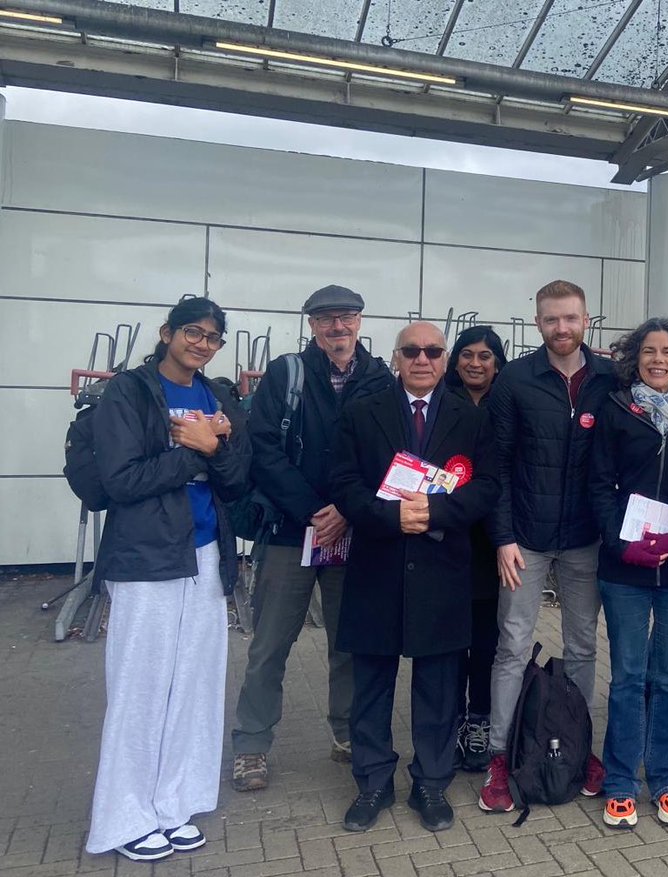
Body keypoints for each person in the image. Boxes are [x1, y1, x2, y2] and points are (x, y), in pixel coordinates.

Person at [86, 297, 251, 862]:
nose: (201, 343)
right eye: (191, 332)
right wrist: (199, 450)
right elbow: (121, 478)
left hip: (206, 556)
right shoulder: (129, 392)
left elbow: (237, 480)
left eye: (212, 337)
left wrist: (213, 451)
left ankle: (176, 801)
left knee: (196, 686)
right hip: (146, 559)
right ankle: (126, 815)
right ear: (167, 334)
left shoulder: (218, 394)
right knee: (141, 688)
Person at [328, 322, 499, 833]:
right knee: (372, 683)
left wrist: (437, 512)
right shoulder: (362, 412)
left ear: (443, 360)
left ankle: (431, 781)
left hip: (442, 570)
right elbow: (343, 481)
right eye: (412, 351)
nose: (422, 359)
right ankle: (373, 782)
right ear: (396, 358)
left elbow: (488, 485)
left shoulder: (470, 418)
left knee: (439, 686)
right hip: (378, 567)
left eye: (432, 351)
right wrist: (388, 517)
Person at [229, 285, 392, 792]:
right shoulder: (286, 373)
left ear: (361, 321)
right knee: (271, 643)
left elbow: (388, 454)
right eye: (326, 320)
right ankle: (251, 746)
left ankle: (345, 734)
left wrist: (346, 511)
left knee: (348, 643)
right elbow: (263, 448)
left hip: (352, 532)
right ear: (312, 326)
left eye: (345, 318)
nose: (337, 328)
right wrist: (313, 511)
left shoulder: (380, 377)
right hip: (288, 531)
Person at [479, 279, 615, 813]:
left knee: (583, 646)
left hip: (586, 537)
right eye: (552, 319)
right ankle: (498, 755)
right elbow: (497, 466)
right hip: (527, 541)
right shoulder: (514, 379)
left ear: (587, 320)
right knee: (512, 646)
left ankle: (579, 749)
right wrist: (504, 537)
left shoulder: (608, 378)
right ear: (537, 323)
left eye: (571, 318)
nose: (562, 328)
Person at [589, 318, 668, 830]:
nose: (658, 360)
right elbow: (598, 486)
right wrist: (621, 544)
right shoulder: (616, 409)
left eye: (667, 351)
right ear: (635, 359)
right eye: (648, 352)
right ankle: (621, 780)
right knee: (626, 677)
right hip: (624, 568)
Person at [445, 325, 509, 772]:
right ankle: (446, 724)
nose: (475, 363)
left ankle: (480, 722)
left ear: (498, 364)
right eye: (466, 355)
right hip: (446, 534)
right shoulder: (440, 403)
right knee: (448, 641)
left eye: (485, 356)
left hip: (493, 538)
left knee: (486, 642)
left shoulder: (506, 405)